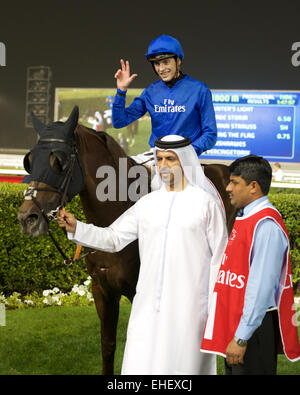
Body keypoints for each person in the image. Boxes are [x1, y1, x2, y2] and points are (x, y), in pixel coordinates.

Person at [57, 135, 228, 375]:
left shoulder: (206, 204)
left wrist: (214, 309)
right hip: (147, 307)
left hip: (190, 311)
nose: (163, 165)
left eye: (171, 159)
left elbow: (220, 260)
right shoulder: (147, 203)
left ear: (186, 161)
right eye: (159, 159)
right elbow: (113, 238)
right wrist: (77, 228)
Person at [201, 155, 300, 375]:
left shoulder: (265, 226)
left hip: (252, 332)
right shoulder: (246, 217)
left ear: (253, 186)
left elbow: (260, 290)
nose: (228, 188)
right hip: (242, 328)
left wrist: (241, 338)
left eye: (234, 182)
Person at [112, 34, 217, 164]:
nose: (161, 69)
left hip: (187, 159)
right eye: (157, 64)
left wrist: (188, 153)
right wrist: (121, 91)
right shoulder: (150, 92)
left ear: (178, 61)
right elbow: (119, 121)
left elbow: (210, 134)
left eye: (166, 62)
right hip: (156, 156)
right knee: (121, 172)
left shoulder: (199, 89)